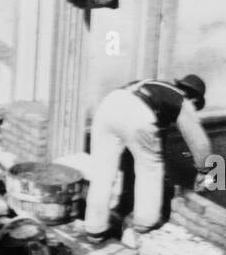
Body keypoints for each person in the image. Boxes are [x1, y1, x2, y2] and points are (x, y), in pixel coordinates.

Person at [83, 74, 212, 245]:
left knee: (103, 174)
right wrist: (205, 170)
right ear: (194, 98)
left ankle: (94, 229)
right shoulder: (183, 101)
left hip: (108, 106)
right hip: (137, 113)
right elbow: (199, 141)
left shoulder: (155, 86)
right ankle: (143, 227)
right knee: (150, 169)